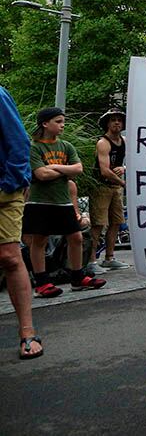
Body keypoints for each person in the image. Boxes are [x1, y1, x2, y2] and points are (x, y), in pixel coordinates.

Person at [23, 108, 105, 299]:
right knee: (40, 240)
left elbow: (78, 168)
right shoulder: (34, 147)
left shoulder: (66, 146)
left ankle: (77, 277)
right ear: (45, 123)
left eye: (62, 121)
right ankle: (42, 283)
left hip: (63, 201)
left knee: (75, 237)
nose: (62, 125)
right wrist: (64, 171)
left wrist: (54, 167)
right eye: (58, 121)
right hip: (40, 202)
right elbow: (40, 175)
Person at [1, 85, 42, 360]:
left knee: (10, 257)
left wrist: (9, 184)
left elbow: (18, 144)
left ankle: (27, 331)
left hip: (4, 191)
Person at [88, 109, 128, 274]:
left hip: (115, 187)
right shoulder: (103, 143)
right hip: (101, 187)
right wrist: (123, 183)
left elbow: (135, 158)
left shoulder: (124, 141)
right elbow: (104, 170)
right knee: (98, 224)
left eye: (119, 120)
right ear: (107, 124)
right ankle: (90, 261)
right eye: (113, 120)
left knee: (116, 222)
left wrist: (123, 167)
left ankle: (109, 258)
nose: (117, 123)